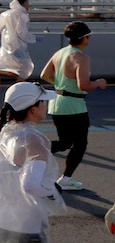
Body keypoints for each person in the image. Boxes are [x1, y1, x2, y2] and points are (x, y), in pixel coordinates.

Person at [0, 82, 67, 242]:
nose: (47, 104)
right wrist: (52, 193)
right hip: (21, 226)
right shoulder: (34, 141)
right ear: (32, 109)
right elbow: (30, 185)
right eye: (43, 101)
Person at [39, 21, 106, 191]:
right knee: (80, 144)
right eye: (89, 35)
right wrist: (98, 82)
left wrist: (62, 85)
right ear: (85, 38)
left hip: (57, 103)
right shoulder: (81, 57)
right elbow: (84, 85)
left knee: (65, 142)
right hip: (74, 106)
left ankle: (31, 154)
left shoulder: (60, 52)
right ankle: (66, 179)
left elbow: (44, 75)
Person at [0, 0, 40, 81]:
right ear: (23, 3)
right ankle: (19, 85)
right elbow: (22, 33)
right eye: (27, 3)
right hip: (17, 45)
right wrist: (34, 38)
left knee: (8, 65)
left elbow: (1, 27)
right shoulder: (22, 16)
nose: (29, 5)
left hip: (6, 45)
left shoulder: (4, 14)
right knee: (26, 67)